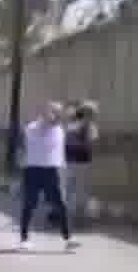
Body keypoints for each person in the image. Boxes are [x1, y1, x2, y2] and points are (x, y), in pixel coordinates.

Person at [16, 101, 77, 251]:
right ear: (44, 113)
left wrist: (63, 167)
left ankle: (68, 238)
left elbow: (59, 150)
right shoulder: (34, 127)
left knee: (60, 204)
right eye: (53, 111)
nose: (56, 115)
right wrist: (58, 116)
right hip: (34, 170)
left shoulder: (60, 130)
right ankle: (24, 239)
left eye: (58, 112)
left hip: (52, 171)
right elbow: (48, 123)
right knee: (30, 204)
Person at [62, 100, 98, 226]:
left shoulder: (74, 124)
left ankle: (71, 215)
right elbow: (90, 143)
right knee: (78, 190)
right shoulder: (86, 125)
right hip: (80, 161)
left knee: (71, 189)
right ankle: (76, 216)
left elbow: (66, 139)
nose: (94, 115)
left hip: (73, 160)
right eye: (92, 113)